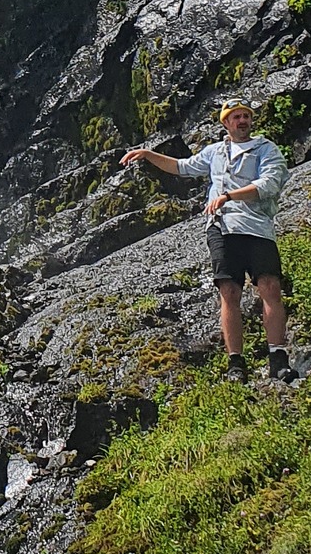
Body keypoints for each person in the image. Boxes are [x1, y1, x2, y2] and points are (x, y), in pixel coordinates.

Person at [121, 98, 294, 381]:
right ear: (225, 123)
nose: (242, 121)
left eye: (245, 117)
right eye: (236, 117)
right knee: (229, 292)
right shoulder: (215, 151)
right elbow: (182, 167)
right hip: (222, 228)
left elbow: (269, 184)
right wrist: (148, 154)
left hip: (258, 227)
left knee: (270, 286)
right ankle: (235, 363)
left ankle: (278, 357)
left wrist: (227, 196)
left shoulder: (266, 149)